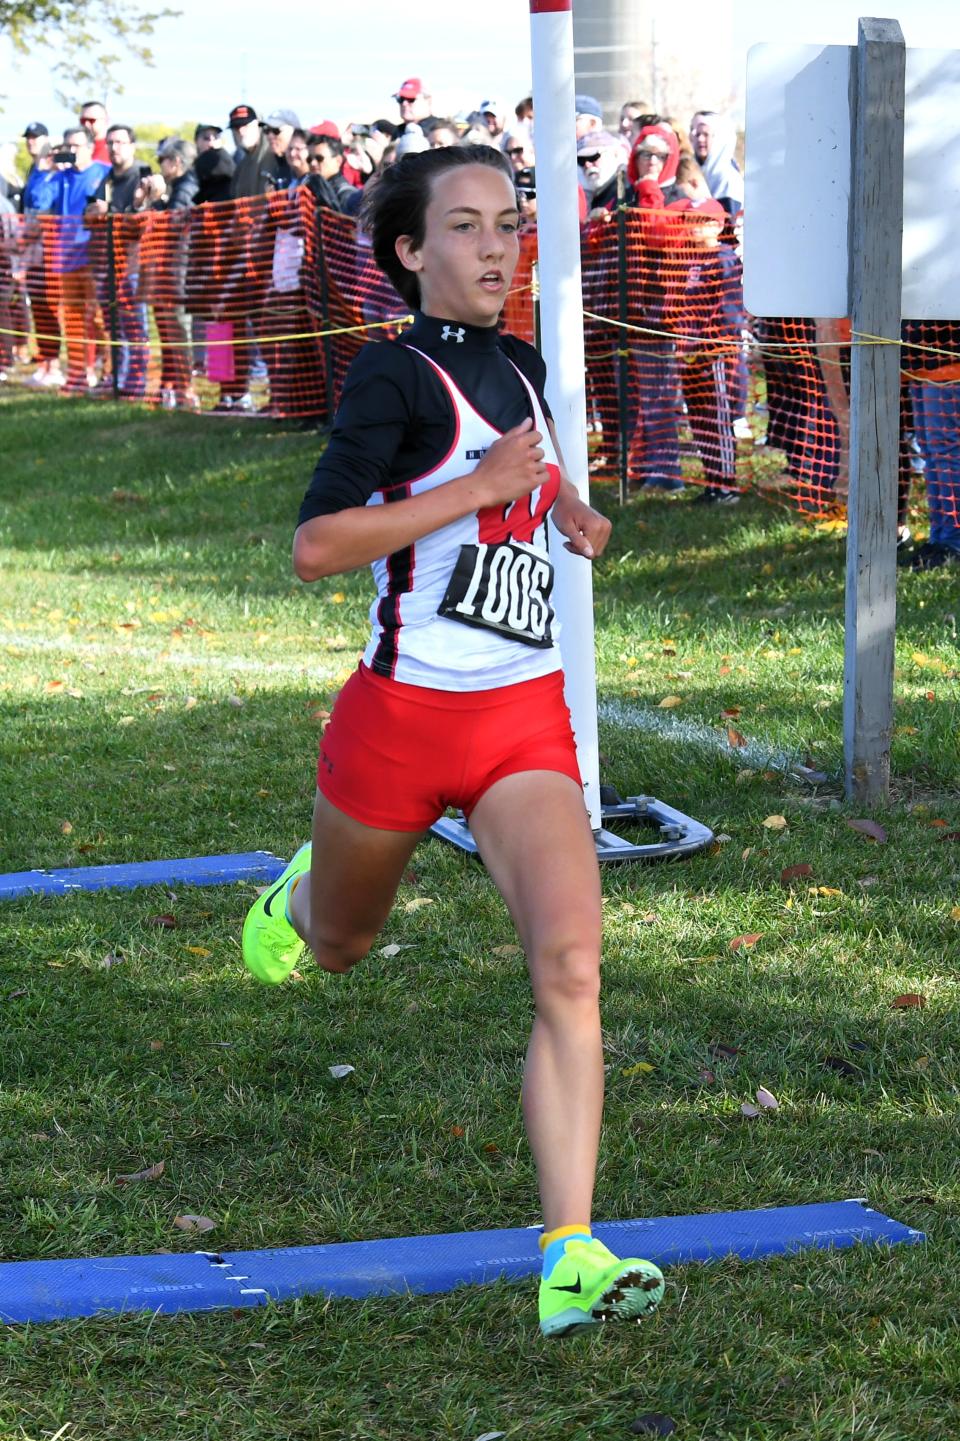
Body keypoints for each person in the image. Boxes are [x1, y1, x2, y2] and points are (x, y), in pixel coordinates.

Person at [240, 143, 666, 1339]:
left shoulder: (521, 364)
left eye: (509, 223)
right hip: (398, 724)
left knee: (572, 967)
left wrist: (568, 510)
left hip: (522, 720)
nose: (496, 247)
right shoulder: (392, 377)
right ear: (411, 252)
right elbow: (318, 546)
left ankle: (570, 1252)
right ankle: (304, 896)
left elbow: (528, 474)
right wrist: (475, 490)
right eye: (467, 228)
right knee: (339, 946)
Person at [87, 124, 150, 398]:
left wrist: (109, 212)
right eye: (110, 142)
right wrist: (94, 213)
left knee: (135, 329)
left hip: (135, 266)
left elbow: (145, 221)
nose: (114, 147)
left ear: (132, 146)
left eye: (120, 142)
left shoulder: (143, 175)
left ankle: (137, 384)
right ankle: (119, 382)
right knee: (115, 328)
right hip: (108, 267)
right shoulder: (106, 179)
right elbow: (90, 216)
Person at [45, 126, 109, 392]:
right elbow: (38, 200)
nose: (71, 152)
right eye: (67, 147)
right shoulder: (60, 178)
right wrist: (45, 168)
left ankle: (110, 374)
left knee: (101, 319)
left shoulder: (104, 173)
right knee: (72, 319)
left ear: (90, 147)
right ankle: (78, 374)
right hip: (68, 259)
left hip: (96, 259)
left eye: (76, 146)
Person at [19, 123, 63, 386]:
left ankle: (55, 365)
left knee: (51, 307)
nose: (31, 141)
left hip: (52, 250)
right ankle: (44, 362)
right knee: (38, 307)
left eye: (36, 137)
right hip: (32, 250)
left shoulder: (57, 172)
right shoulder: (33, 171)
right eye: (28, 138)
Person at [689, 110, 743, 215]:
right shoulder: (695, 171)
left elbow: (728, 225)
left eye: (706, 134)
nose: (700, 139)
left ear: (719, 138)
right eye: (698, 134)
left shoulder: (727, 178)